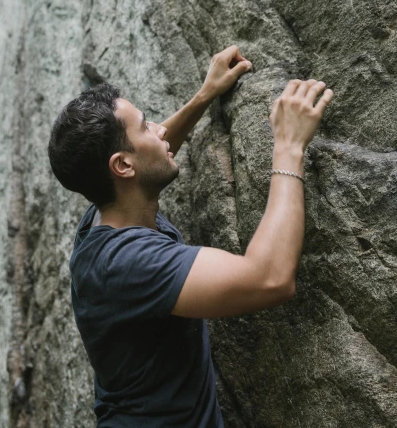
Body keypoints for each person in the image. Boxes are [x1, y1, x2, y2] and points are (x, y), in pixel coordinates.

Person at [47, 45, 334, 427]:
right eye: (146, 124)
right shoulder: (129, 264)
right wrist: (289, 146)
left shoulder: (106, 210)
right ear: (122, 166)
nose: (160, 129)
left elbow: (146, 156)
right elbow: (270, 277)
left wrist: (204, 95)